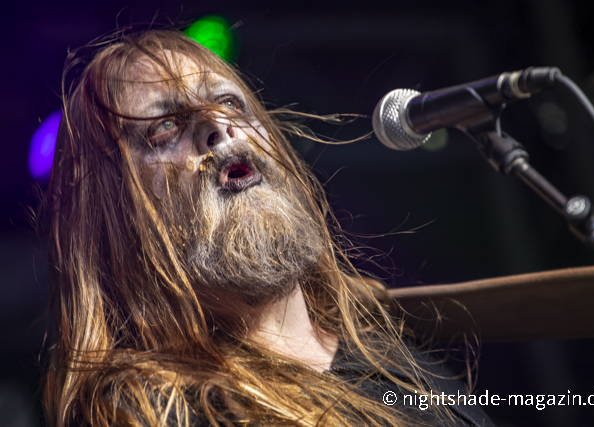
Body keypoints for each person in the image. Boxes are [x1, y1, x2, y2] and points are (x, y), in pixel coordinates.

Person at [40, 29, 494, 426]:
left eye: (231, 103)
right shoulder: (152, 412)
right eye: (165, 126)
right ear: (115, 214)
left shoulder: (409, 369)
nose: (220, 125)